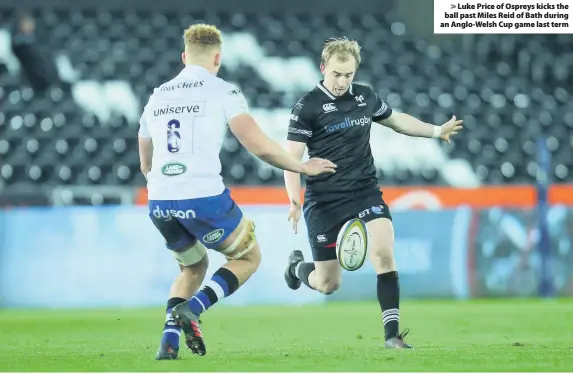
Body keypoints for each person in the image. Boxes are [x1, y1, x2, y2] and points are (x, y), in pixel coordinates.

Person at [138, 24, 337, 359]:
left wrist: (160, 182)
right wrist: (301, 167)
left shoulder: (157, 95)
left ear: (184, 57)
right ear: (218, 57)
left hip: (159, 200)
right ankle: (194, 308)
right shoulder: (223, 92)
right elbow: (257, 145)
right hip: (202, 196)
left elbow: (145, 157)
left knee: (191, 268)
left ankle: (168, 343)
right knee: (247, 257)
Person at [282, 37, 463, 349]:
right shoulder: (307, 106)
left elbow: (397, 122)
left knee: (383, 252)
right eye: (336, 74)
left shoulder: (365, 96)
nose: (342, 81)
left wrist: (436, 130)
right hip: (324, 201)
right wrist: (294, 200)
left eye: (348, 75)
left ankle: (392, 336)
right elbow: (291, 158)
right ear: (324, 68)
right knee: (328, 283)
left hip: (365, 192)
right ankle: (296, 268)